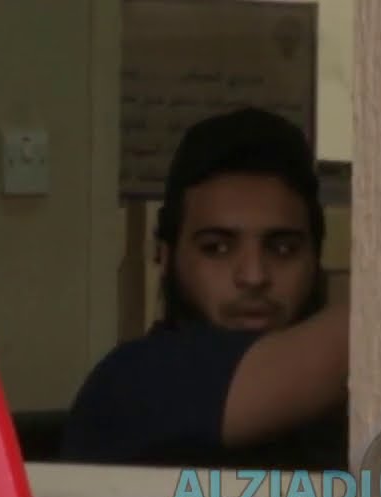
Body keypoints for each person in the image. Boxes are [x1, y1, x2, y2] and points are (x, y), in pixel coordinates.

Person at [60, 108, 348, 469]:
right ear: (165, 256)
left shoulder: (353, 400)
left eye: (283, 249)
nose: (254, 276)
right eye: (217, 248)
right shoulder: (132, 383)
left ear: (315, 258)